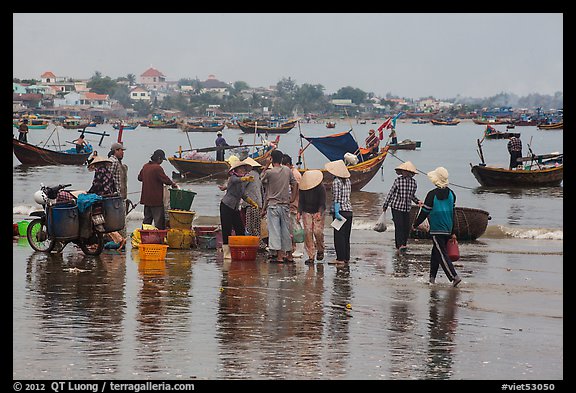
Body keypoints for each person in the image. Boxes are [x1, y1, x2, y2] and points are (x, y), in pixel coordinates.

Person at [412, 167, 462, 287]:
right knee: (435, 252)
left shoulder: (432, 194)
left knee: (441, 254)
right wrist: (453, 231)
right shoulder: (452, 194)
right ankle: (432, 278)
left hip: (437, 228)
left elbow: (424, 212)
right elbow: (452, 213)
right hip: (448, 227)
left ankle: (454, 277)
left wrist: (415, 224)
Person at [261, 149, 298, 263]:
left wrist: (266, 165)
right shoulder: (287, 170)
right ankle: (289, 255)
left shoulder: (269, 172)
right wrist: (292, 198)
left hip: (273, 205)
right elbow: (295, 183)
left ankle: (280, 256)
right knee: (285, 230)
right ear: (281, 159)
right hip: (285, 204)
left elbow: (260, 179)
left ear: (272, 159)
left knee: (275, 231)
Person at [219, 159, 259, 259]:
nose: (243, 170)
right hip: (226, 206)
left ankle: (240, 249)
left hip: (235, 208)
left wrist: (253, 203)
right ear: (236, 170)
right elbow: (237, 180)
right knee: (226, 229)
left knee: (240, 229)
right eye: (241, 169)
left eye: (244, 169)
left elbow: (243, 196)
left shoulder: (242, 183)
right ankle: (226, 253)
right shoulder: (233, 178)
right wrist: (246, 179)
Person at [86, 155, 126, 249]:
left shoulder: (99, 171)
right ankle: (117, 239)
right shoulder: (108, 172)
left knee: (96, 219)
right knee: (105, 221)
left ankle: (119, 239)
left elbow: (96, 186)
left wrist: (88, 193)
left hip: (101, 198)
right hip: (109, 198)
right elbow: (113, 187)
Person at [382, 161, 421, 253]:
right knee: (399, 226)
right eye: (403, 171)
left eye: (405, 171)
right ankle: (399, 245)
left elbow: (411, 195)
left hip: (407, 208)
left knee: (406, 227)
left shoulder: (413, 183)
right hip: (396, 207)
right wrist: (385, 205)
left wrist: (418, 201)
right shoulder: (398, 181)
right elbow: (391, 193)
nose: (404, 172)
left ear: (409, 172)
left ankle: (403, 243)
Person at [138, 149, 178, 230]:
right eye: (162, 160)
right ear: (159, 158)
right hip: (156, 200)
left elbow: (140, 178)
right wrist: (173, 184)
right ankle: (159, 238)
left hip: (146, 199)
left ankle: (143, 236)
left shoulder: (145, 166)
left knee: (146, 221)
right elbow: (165, 180)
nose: (162, 161)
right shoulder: (157, 168)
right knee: (159, 222)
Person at [325, 159, 353, 265]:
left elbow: (336, 198)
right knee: (346, 236)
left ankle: (340, 258)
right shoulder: (348, 181)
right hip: (349, 211)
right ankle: (346, 257)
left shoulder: (336, 182)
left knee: (339, 236)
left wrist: (336, 211)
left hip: (340, 211)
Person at [298, 169, 326, 265]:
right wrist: (299, 212)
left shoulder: (320, 187)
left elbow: (322, 203)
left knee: (317, 232)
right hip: (306, 211)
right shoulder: (302, 188)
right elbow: (301, 201)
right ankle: (311, 256)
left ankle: (320, 249)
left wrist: (319, 212)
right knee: (307, 232)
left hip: (318, 210)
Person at [239, 157, 266, 250]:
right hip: (258, 204)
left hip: (251, 204)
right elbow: (262, 191)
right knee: (256, 227)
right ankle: (259, 245)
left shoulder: (250, 175)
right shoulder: (257, 175)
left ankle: (256, 246)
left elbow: (240, 186)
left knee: (251, 227)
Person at [282, 153, 302, 256]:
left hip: (295, 204)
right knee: (291, 227)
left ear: (288, 164)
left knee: (295, 227)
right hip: (290, 205)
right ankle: (292, 248)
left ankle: (297, 249)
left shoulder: (295, 174)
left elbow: (297, 189)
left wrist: (293, 200)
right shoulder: (290, 173)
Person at [108, 142, 128, 237]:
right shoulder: (113, 162)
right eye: (121, 151)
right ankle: (120, 239)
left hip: (120, 195)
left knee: (120, 219)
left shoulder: (119, 163)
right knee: (119, 220)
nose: (122, 153)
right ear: (115, 151)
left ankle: (120, 238)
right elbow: (108, 177)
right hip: (116, 196)